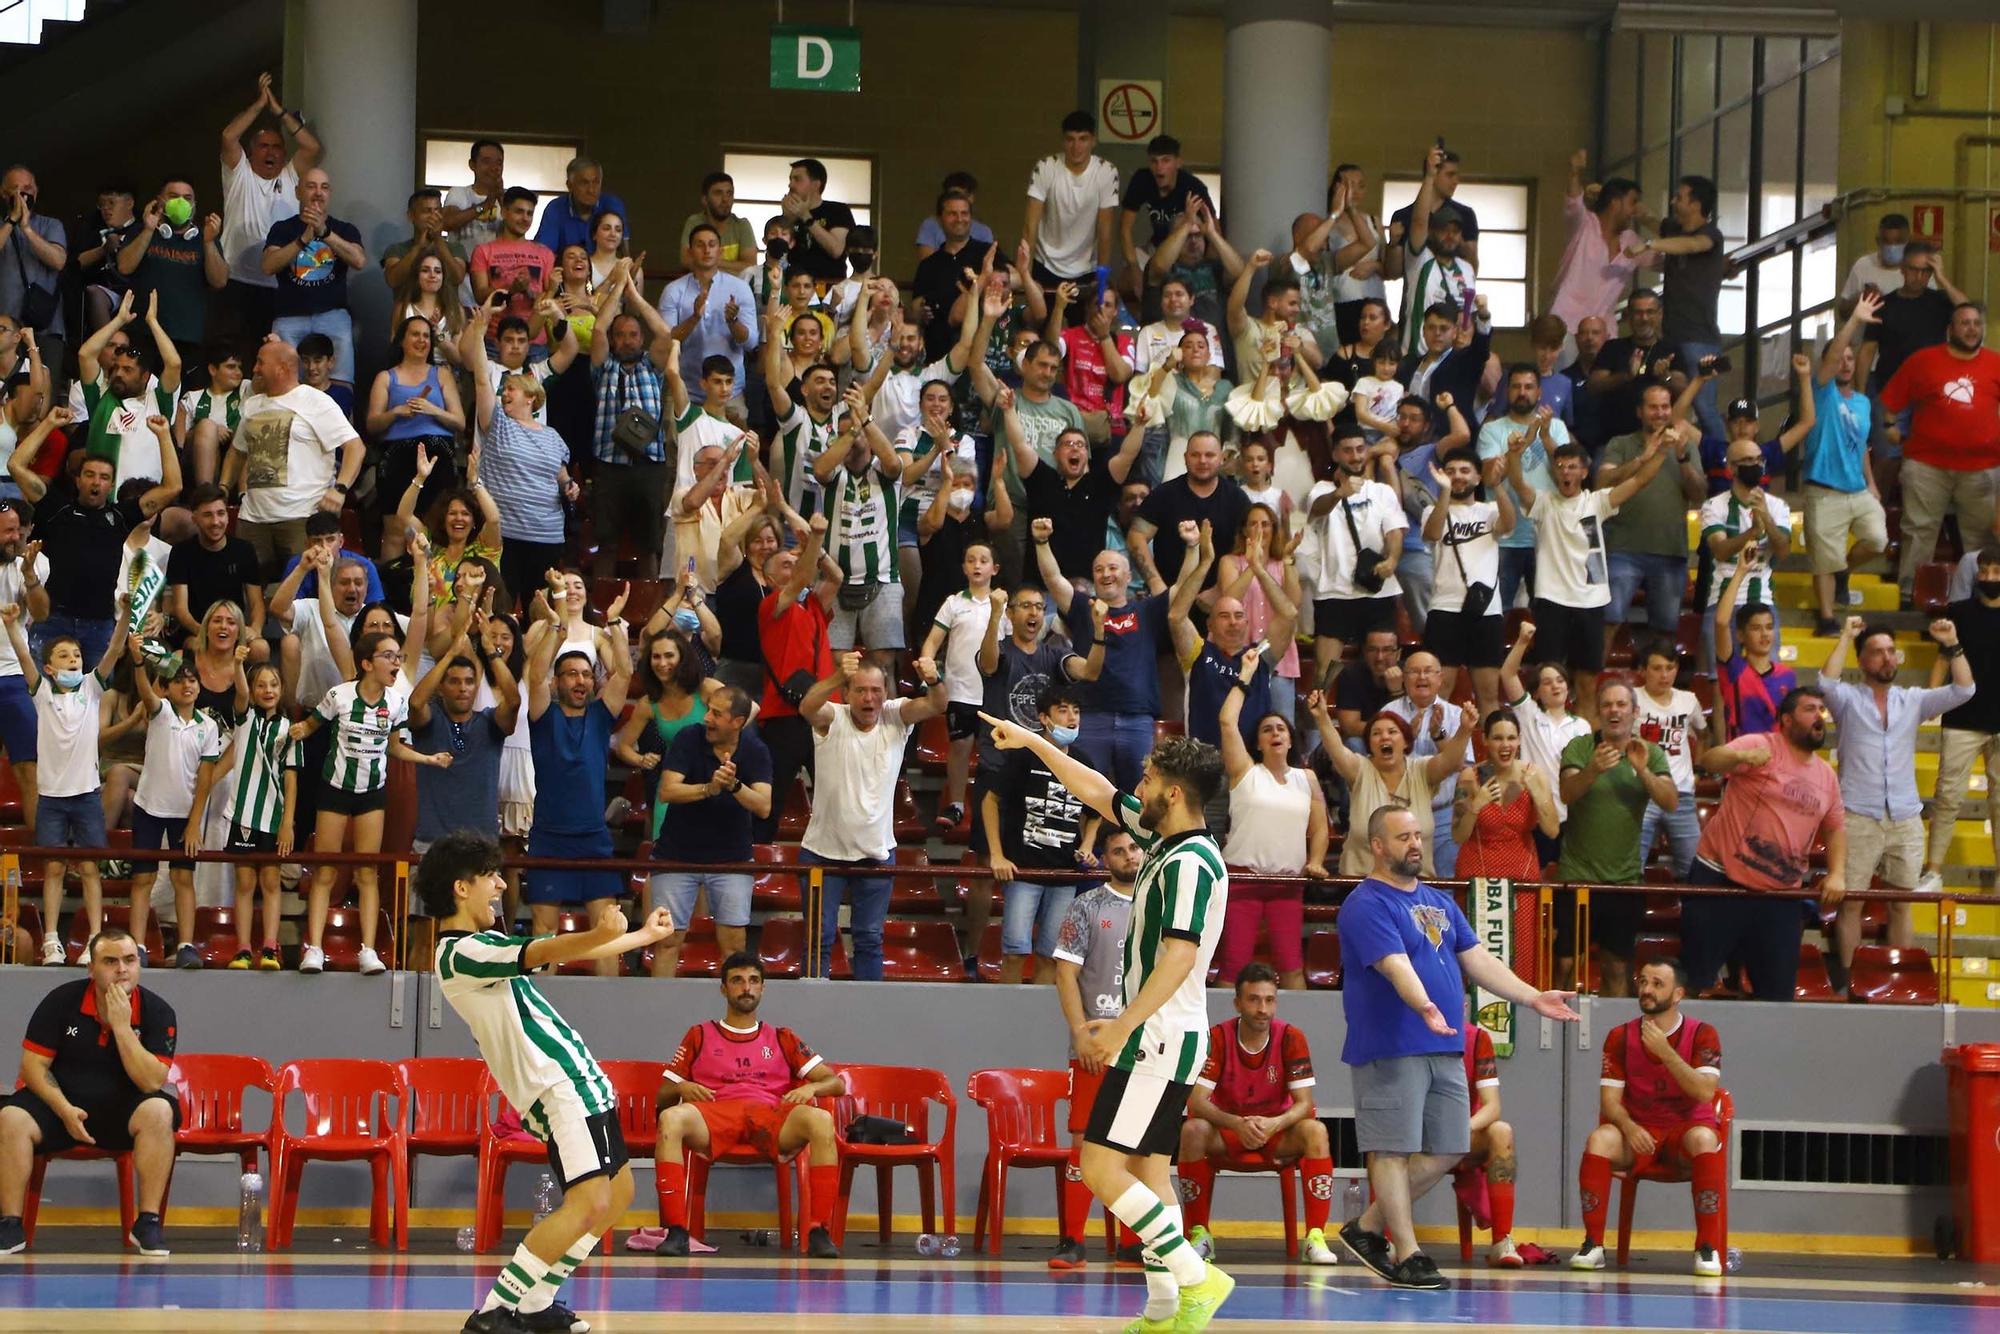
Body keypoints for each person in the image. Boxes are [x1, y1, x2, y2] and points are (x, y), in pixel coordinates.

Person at [978, 715, 1235, 1331]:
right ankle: (1166, 1309)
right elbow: (1093, 789)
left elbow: (1179, 954)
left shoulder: (1189, 864)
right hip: (1169, 1035)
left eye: (1147, 780)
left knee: (1098, 1166)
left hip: (1158, 1034)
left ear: (1173, 793)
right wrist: (1036, 742)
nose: (1137, 788)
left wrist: (1122, 1025)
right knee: (1149, 1171)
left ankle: (1198, 1279)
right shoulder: (1167, 847)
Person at [421, 832, 673, 1333]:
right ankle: (495, 1309)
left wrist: (640, 938)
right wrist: (599, 933)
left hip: (579, 1081)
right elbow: (543, 949)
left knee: (618, 1193)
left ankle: (537, 1302)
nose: (500, 885)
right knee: (590, 1202)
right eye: (491, 877)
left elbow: (547, 950)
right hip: (557, 1088)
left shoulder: (484, 945)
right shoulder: (458, 953)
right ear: (461, 888)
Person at [1336, 807, 1578, 1291]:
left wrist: (1530, 996)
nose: (1414, 844)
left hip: (1445, 1046)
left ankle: (1365, 1228)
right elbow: (1394, 964)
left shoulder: (1440, 902)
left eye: (1418, 834)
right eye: (1402, 836)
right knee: (1393, 1149)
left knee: (1451, 1146)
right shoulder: (1366, 904)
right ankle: (1407, 1253)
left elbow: (1478, 960)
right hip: (1393, 1045)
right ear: (1378, 846)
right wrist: (1424, 1004)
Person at [652, 953, 845, 1259]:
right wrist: (682, 1087)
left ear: (763, 989)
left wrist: (811, 1086)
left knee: (820, 1120)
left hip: (769, 1114)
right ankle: (676, 1230)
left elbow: (836, 1083)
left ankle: (818, 1230)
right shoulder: (699, 1034)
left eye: (754, 981)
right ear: (723, 989)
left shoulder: (782, 1037)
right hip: (715, 1112)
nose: (746, 987)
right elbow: (663, 1095)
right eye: (737, 981)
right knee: (672, 1119)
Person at [0, 927, 179, 1256]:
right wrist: (64, 1109)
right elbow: (33, 1068)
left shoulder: (158, 1012)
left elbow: (151, 1082)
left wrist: (123, 1028)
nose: (122, 969)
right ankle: (10, 1224)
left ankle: (148, 1222)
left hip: (121, 1114)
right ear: (91, 968)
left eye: (129, 960)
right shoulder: (61, 1001)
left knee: (160, 1110)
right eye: (110, 961)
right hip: (59, 1109)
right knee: (10, 1116)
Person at [1819, 618, 1974, 984]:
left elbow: (1965, 689)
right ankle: (1849, 981)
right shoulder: (1847, 700)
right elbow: (1825, 682)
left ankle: (1901, 979)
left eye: (1891, 651)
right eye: (1877, 652)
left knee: (1903, 904)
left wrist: (1952, 643)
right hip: (1857, 814)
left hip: (1905, 816)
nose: (1887, 658)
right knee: (1851, 902)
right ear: (1862, 662)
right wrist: (1846, 636)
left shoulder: (1913, 700)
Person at [290, 628, 447, 975]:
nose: (396, 662)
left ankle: (369, 950)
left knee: (367, 873)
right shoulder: (339, 695)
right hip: (334, 789)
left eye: (398, 656)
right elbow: (311, 725)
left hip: (373, 794)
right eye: (388, 656)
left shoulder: (396, 703)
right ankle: (313, 948)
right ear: (366, 663)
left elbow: (394, 746)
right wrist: (297, 730)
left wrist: (428, 759)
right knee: (326, 869)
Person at [1569, 957, 1727, 1277]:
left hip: (1684, 1132)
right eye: (1642, 982)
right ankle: (1593, 1244)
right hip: (1639, 1132)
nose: (1646, 990)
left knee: (1705, 1138)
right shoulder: (1619, 1036)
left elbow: (1704, 1093)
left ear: (1678, 994)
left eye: (1657, 984)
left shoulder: (1703, 1034)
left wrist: (1666, 1051)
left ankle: (1706, 1248)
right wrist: (1629, 1127)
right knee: (1599, 1139)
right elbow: (1610, 1102)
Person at [1685, 687, 1845, 999]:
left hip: (1780, 895)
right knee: (1695, 980)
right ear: (1786, 719)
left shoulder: (1827, 776)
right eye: (1809, 709)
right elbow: (1710, 760)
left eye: (1821, 711)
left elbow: (1836, 827)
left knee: (1777, 995)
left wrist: (1838, 872)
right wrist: (1742, 757)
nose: (1819, 717)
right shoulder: (1761, 745)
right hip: (1721, 881)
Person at [1503, 431, 1672, 724]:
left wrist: (1661, 451)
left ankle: (1585, 746)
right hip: (1551, 602)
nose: (1566, 472)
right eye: (1561, 466)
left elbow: (1639, 481)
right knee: (1548, 682)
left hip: (1590, 602)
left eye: (1572, 466)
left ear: (1584, 470)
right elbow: (1517, 483)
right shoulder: (1543, 502)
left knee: (1587, 684)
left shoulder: (1597, 501)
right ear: (1554, 470)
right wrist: (1514, 455)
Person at [797, 651, 947, 979]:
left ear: (886, 693)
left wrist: (934, 678)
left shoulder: (896, 715)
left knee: (869, 939)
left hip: (877, 854)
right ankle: (810, 1014)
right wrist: (837, 676)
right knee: (817, 941)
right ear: (847, 694)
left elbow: (937, 704)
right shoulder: (831, 717)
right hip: (822, 854)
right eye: (860, 690)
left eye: (876, 690)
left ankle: (867, 1018)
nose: (869, 698)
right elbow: (806, 707)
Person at [1177, 963, 1338, 1266]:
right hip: (1228, 1131)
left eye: (1269, 1000)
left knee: (1316, 1131)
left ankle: (1316, 1236)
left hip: (1276, 1132)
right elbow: (1196, 1101)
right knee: (1192, 1130)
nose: (1262, 1008)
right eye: (1253, 999)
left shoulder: (1291, 1037)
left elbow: (1304, 1104)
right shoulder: (1218, 1037)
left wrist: (1275, 1123)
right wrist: (1237, 1124)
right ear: (1237, 1002)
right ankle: (1198, 1234)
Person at [2, 603, 127, 963]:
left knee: (90, 868)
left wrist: (123, 618)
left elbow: (115, 649)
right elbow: (24, 655)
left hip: (87, 795)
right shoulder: (41, 692)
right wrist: (12, 626)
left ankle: (94, 941)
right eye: (63, 655)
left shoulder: (91, 688)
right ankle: (52, 940)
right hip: (51, 798)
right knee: (54, 867)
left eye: (76, 655)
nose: (72, 660)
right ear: (49, 667)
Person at [520, 599, 634, 975]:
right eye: (570, 674)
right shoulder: (542, 714)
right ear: (558, 682)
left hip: (593, 838)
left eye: (586, 674)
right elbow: (534, 677)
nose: (580, 681)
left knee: (608, 932)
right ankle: (538, 1015)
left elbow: (625, 674)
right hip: (549, 837)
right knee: (545, 932)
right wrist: (555, 627)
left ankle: (610, 1012)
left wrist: (615, 623)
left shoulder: (601, 717)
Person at [14, 411, 180, 668]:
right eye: (89, 475)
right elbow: (16, 465)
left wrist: (163, 435)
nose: (96, 482)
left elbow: (173, 487)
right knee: (44, 697)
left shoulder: (121, 516)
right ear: (78, 480)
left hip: (99, 625)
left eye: (104, 478)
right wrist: (48, 423)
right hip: (55, 619)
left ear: (111, 484)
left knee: (97, 701)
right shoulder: (57, 508)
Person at [1048, 826, 1143, 1269]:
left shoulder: (1159, 904)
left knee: (1138, 1146)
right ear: (1104, 858)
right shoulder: (1087, 905)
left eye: (1133, 848)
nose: (1128, 856)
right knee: (1085, 1141)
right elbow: (1064, 973)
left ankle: (1133, 1243)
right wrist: (1080, 1032)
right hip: (1096, 1045)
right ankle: (1072, 1240)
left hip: (1144, 1046)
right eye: (1118, 850)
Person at [1035, 519, 1180, 793]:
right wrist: (1042, 542)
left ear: (1128, 576)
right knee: (1083, 796)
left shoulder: (1146, 610)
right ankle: (1087, 839)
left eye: (1113, 568)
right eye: (1098, 570)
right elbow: (1053, 580)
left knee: (1140, 797)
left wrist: (1195, 548)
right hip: (1090, 716)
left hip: (1137, 718)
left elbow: (1184, 588)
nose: (1105, 574)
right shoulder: (1082, 607)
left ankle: (1131, 840)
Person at [1557, 680, 1675, 996]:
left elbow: (1670, 801)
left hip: (1624, 882)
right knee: (1567, 966)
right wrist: (1593, 770)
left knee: (1617, 968)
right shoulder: (1580, 747)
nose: (1614, 711)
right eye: (1607, 704)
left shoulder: (1650, 753)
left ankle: (1614, 1042)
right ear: (1598, 711)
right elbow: (1567, 794)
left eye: (1621, 704)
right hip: (1577, 878)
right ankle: (1555, 1039)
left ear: (1635, 712)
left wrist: (1643, 771)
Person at [1883, 302, 2000, 606]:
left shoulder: (1996, 363)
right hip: (1926, 466)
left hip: (1982, 468)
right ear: (1950, 329)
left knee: (1981, 539)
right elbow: (1890, 401)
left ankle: (1981, 598)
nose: (1971, 328)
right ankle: (1909, 595)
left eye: (1976, 323)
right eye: (1964, 323)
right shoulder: (1923, 361)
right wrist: (1889, 425)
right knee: (1918, 531)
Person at [648, 687, 770, 980]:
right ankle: (656, 1014)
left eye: (716, 713)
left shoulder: (755, 750)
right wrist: (709, 789)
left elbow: (763, 806)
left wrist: (734, 786)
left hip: (732, 861)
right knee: (666, 942)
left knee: (734, 947)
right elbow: (666, 791)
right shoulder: (689, 738)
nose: (707, 718)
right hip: (676, 856)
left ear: (738, 721)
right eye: (708, 710)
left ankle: (732, 1020)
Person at [186, 659, 298, 970]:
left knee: (271, 883)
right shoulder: (244, 719)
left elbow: (291, 779)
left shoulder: (290, 729)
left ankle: (271, 948)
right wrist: (237, 663)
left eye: (274, 685)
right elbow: (240, 693)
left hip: (273, 819)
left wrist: (288, 823)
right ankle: (244, 948)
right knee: (245, 884)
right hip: (242, 817)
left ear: (283, 689)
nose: (267, 690)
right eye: (260, 684)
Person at [226, 337, 364, 582]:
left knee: (304, 594)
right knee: (249, 593)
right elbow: (237, 451)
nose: (255, 369)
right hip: (253, 520)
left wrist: (340, 489)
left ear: (282, 368)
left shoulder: (317, 401)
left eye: (260, 362)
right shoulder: (252, 404)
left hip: (301, 517)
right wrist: (224, 488)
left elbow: (355, 447)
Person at [985, 682, 1094, 985]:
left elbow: (1095, 812)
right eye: (1063, 710)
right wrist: (996, 854)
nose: (1072, 718)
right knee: (1015, 952)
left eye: (1076, 711)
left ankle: (1037, 1024)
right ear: (1044, 718)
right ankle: (1006, 1022)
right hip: (1024, 871)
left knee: (1050, 956)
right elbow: (989, 801)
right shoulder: (1023, 755)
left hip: (1064, 875)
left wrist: (1088, 843)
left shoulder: (1084, 762)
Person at [121, 647, 223, 972]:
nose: (187, 686)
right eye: (179, 681)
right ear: (167, 688)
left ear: (199, 686)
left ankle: (185, 945)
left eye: (192, 680)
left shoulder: (208, 727)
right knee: (142, 880)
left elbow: (205, 780)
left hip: (184, 814)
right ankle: (137, 946)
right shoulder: (160, 711)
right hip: (148, 808)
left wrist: (195, 823)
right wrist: (139, 661)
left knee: (183, 878)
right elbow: (145, 691)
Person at [1599, 385, 1706, 669]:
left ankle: (1659, 691)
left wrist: (1682, 456)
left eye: (1665, 406)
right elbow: (1602, 483)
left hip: (1670, 551)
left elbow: (1698, 494)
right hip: (1621, 548)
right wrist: (1642, 458)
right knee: (1608, 619)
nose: (1660, 413)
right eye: (1653, 407)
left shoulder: (1688, 446)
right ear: (1640, 412)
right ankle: (1589, 683)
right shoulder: (1620, 444)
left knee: (1666, 629)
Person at [1313, 694, 1476, 879]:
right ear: (1369, 745)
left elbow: (1451, 761)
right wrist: (1322, 718)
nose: (1384, 737)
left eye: (1392, 732)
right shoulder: (1359, 769)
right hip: (1361, 884)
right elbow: (1337, 750)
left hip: (1417, 885)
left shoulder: (1422, 769)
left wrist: (1465, 730)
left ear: (1406, 741)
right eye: (1376, 733)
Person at [1804, 290, 1888, 636]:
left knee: (1878, 540)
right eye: (1841, 357)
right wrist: (1854, 320)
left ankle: (1843, 571)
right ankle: (1826, 617)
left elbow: (1861, 446)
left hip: (1858, 488)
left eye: (1852, 358)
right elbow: (1835, 352)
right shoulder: (1821, 391)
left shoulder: (1864, 403)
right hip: (1824, 490)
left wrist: (1872, 482)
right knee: (1824, 558)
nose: (1846, 362)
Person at [589, 271, 678, 577]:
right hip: (609, 464)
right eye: (621, 335)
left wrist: (635, 297)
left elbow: (666, 336)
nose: (626, 341)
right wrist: (618, 290)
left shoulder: (652, 366)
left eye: (633, 335)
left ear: (641, 339)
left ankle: (650, 610)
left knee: (650, 544)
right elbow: (598, 329)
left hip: (649, 464)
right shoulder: (604, 366)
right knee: (606, 542)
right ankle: (598, 610)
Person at [1303, 431, 1407, 686]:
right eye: (1348, 450)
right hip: (1335, 593)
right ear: (1336, 454)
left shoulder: (1382, 492)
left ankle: (1386, 719)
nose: (1355, 456)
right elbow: (1317, 510)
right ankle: (1320, 724)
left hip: (1378, 592)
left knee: (1385, 667)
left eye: (1360, 449)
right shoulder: (1321, 490)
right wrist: (1340, 493)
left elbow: (1394, 531)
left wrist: (1392, 560)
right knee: (1324, 672)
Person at [1423, 447, 1515, 717]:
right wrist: (1444, 493)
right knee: (1440, 692)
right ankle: (1438, 755)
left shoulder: (1488, 511)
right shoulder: (1433, 509)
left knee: (1488, 694)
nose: (1458, 476)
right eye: (1450, 471)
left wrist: (1496, 486)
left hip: (1485, 611)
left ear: (1477, 478)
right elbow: (1432, 532)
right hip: (1445, 608)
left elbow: (1509, 524)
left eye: (1465, 471)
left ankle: (1492, 757)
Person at [366, 316, 466, 560]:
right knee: (396, 529)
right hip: (397, 456)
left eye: (426, 336)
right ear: (402, 340)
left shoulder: (441, 374)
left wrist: (432, 410)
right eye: (415, 334)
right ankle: (392, 590)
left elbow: (460, 422)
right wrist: (396, 412)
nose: (421, 340)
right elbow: (372, 424)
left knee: (437, 527)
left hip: (438, 455)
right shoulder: (386, 377)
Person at [260, 169, 365, 389]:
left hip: (333, 316)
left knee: (341, 385)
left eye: (324, 187)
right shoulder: (282, 229)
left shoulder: (345, 229)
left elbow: (359, 261)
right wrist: (303, 239)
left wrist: (325, 233)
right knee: (284, 384)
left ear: (330, 194)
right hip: (289, 317)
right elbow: (268, 266)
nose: (318, 192)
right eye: (311, 186)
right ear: (298, 192)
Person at [660, 223, 759, 415]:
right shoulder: (673, 290)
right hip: (685, 391)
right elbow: (666, 343)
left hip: (730, 393)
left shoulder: (739, 288)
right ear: (689, 252)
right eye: (700, 245)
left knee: (735, 446)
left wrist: (733, 322)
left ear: (720, 251)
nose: (707, 250)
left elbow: (751, 343)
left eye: (712, 244)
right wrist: (694, 317)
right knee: (677, 445)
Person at [1452, 708, 1559, 883]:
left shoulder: (1534, 774)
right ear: (1485, 740)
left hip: (1522, 876)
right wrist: (1475, 806)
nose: (1505, 745)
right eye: (1497, 738)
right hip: (1477, 876)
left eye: (1511, 738)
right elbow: (1458, 836)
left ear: (1519, 740)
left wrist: (1538, 795)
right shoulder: (1470, 777)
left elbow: (1552, 831)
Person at [1633, 640, 1706, 880]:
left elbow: (1703, 733)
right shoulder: (1631, 699)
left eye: (1670, 668)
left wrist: (1697, 769)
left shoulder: (1689, 700)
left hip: (1681, 793)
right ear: (1642, 670)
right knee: (1632, 869)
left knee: (1694, 871)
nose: (1664, 675)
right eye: (1657, 668)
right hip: (1641, 792)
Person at [1549, 156, 1643, 342]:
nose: (1635, 211)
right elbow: (1574, 203)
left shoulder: (1633, 242)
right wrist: (1574, 173)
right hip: (1566, 326)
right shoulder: (1584, 225)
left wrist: (1650, 219)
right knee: (1566, 372)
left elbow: (1669, 258)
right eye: (1633, 202)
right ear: (1615, 203)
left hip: (1605, 333)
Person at [1025, 112, 1119, 288]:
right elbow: (1030, 227)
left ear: (1093, 141)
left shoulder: (1106, 171)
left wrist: (1102, 278)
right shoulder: (1046, 166)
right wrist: (1025, 274)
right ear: (1063, 141)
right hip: (1045, 263)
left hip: (1086, 268)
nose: (1076, 147)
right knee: (1040, 316)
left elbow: (1105, 230)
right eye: (1070, 139)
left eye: (1083, 139)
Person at [1711, 558, 1795, 743]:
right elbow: (1721, 622)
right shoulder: (1733, 669)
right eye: (1756, 628)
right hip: (1740, 763)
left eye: (1769, 627)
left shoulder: (1787, 675)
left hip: (1776, 764)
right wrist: (1740, 571)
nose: (1764, 634)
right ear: (1740, 635)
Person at [471, 188, 558, 349]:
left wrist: (530, 292)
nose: (525, 218)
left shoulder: (545, 253)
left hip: (535, 342)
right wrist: (510, 289)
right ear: (504, 212)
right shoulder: (483, 251)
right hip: (495, 339)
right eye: (519, 212)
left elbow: (549, 294)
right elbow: (480, 296)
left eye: (529, 214)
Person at [776, 158, 855, 288]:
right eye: (790, 179)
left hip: (829, 287)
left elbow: (836, 250)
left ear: (816, 184)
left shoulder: (838, 210)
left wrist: (805, 216)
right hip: (794, 287)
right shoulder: (790, 215)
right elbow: (778, 255)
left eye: (797, 179)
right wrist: (787, 219)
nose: (790, 185)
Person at [532, 156, 626, 258]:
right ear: (569, 186)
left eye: (596, 182)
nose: (591, 190)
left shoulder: (612, 205)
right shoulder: (555, 208)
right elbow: (544, 254)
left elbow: (623, 251)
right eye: (584, 183)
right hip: (567, 270)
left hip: (606, 270)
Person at [680, 171, 759, 276]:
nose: (725, 199)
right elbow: (686, 261)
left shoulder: (742, 225)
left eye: (729, 193)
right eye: (718, 193)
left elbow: (750, 267)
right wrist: (733, 269)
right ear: (705, 200)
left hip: (734, 290)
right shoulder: (695, 222)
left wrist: (708, 262)